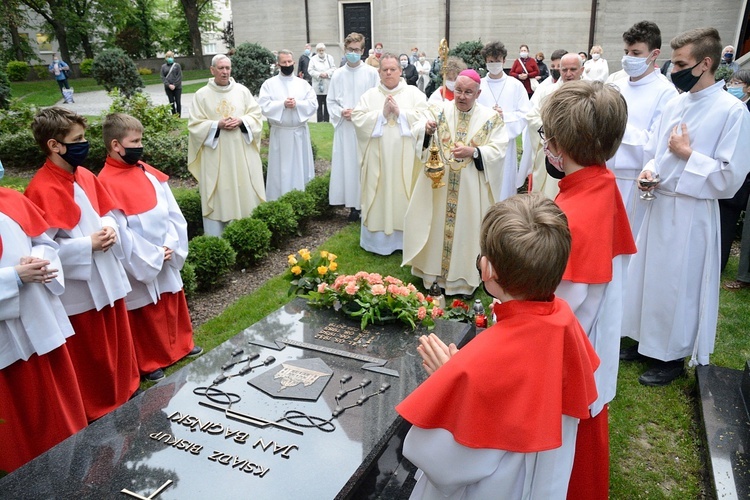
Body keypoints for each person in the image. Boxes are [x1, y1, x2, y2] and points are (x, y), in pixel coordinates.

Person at [397, 193, 600, 499]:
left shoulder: (480, 360)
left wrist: (452, 379)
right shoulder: (564, 321)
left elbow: (447, 465)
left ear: (487, 269)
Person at [622, 28, 750, 386]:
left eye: (680, 63)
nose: (673, 69)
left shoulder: (732, 111)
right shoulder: (676, 103)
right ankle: (641, 339)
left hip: (692, 210)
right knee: (645, 275)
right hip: (658, 202)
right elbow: (655, 154)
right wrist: (650, 171)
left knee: (678, 284)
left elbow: (730, 177)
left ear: (705, 63)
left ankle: (671, 355)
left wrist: (688, 155)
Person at [540, 80, 636, 498]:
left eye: (546, 137)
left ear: (559, 144)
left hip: (570, 355)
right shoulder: (602, 183)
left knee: (560, 455)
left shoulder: (573, 215)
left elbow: (563, 302)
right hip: (594, 340)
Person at [25, 107, 140, 422]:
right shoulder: (41, 188)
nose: (85, 144)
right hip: (81, 286)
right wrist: (85, 245)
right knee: (93, 349)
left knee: (117, 338)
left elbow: (110, 212)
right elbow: (41, 247)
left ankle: (126, 389)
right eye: (77, 139)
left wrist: (110, 228)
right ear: (54, 145)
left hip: (107, 274)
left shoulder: (85, 175)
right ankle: (100, 404)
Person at [98, 113, 202, 383]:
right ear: (116, 145)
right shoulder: (105, 183)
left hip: (164, 249)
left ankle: (181, 346)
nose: (139, 146)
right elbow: (120, 231)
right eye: (134, 141)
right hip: (140, 259)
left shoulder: (147, 172)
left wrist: (170, 243)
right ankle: (150, 360)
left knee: (171, 298)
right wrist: (153, 255)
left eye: (140, 139)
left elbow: (171, 213)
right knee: (145, 309)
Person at [0, 161, 87, 473]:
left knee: (61, 408)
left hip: (39, 316)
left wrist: (37, 260)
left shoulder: (10, 199)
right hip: (6, 340)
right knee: (22, 426)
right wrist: (13, 278)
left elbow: (44, 243)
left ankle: (76, 464)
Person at [403, 69, 508, 295]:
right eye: (458, 90)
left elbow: (499, 149)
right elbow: (417, 128)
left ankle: (461, 279)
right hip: (438, 185)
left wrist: (475, 151)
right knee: (435, 226)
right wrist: (427, 130)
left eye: (468, 92)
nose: (461, 96)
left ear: (478, 93)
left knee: (466, 231)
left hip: (470, 189)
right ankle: (431, 274)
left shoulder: (491, 119)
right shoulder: (438, 109)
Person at [351, 53, 429, 255]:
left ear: (400, 71)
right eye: (384, 70)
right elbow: (357, 119)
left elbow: (426, 118)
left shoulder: (414, 94)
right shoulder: (369, 96)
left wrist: (400, 112)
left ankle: (405, 241)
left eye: (392, 69)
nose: (388, 73)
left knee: (405, 193)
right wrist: (381, 115)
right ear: (379, 72)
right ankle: (377, 243)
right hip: (378, 159)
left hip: (407, 160)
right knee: (379, 193)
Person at [606, 21, 678, 237]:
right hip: (607, 175)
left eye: (636, 52)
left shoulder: (666, 93)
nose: (628, 57)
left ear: (654, 54)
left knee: (629, 243)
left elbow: (656, 144)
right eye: (626, 51)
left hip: (635, 180)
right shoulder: (615, 84)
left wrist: (616, 126)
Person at [188, 54, 265, 237]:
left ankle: (247, 234)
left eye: (227, 68)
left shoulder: (242, 91)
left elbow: (256, 116)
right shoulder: (201, 95)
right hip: (216, 156)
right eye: (221, 68)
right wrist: (217, 125)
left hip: (241, 151)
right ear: (212, 70)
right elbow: (194, 125)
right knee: (220, 195)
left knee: (244, 189)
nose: (225, 72)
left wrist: (241, 121)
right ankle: (218, 236)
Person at [327, 32, 379, 221]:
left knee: (364, 165)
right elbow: (331, 100)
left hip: (364, 129)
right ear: (345, 49)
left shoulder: (372, 74)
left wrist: (358, 113)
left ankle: (367, 203)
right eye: (350, 50)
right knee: (348, 166)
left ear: (363, 51)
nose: (353, 53)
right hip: (345, 128)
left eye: (357, 50)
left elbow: (377, 100)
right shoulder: (338, 75)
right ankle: (352, 208)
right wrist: (341, 112)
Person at [519, 52, 583, 200]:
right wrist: (555, 130)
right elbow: (532, 117)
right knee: (551, 195)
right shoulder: (547, 93)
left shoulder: (591, 93)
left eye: (573, 69)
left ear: (581, 70)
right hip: (553, 153)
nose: (568, 74)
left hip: (580, 155)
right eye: (564, 69)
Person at [258, 50, 318, 201]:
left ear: (294, 62)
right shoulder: (269, 85)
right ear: (278, 64)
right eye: (284, 62)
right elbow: (264, 106)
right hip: (281, 133)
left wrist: (297, 104)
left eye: (289, 62)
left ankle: (302, 198)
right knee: (281, 170)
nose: (287, 65)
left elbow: (312, 103)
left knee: (301, 168)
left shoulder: (303, 84)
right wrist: (282, 104)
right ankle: (279, 198)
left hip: (299, 133)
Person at [477, 41, 531, 202]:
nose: (494, 64)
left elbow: (524, 114)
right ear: (485, 62)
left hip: (506, 146)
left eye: (497, 60)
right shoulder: (479, 85)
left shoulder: (515, 86)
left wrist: (503, 117)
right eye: (490, 61)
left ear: (504, 60)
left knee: (505, 187)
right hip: (483, 144)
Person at [308, 43, 337, 122]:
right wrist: (319, 74)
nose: (321, 52)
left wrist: (327, 73)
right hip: (318, 84)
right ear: (317, 51)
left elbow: (334, 68)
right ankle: (320, 120)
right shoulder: (313, 59)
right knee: (319, 104)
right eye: (319, 50)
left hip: (327, 83)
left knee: (327, 104)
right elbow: (310, 70)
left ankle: (327, 120)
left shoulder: (329, 58)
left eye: (322, 50)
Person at [160, 51, 183, 116]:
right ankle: (173, 115)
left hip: (177, 87)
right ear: (166, 58)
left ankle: (178, 116)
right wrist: (168, 85)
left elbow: (179, 76)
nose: (169, 58)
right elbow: (162, 77)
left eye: (170, 57)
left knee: (178, 102)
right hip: (168, 87)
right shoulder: (163, 67)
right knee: (171, 102)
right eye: (168, 57)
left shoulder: (177, 66)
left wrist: (174, 85)